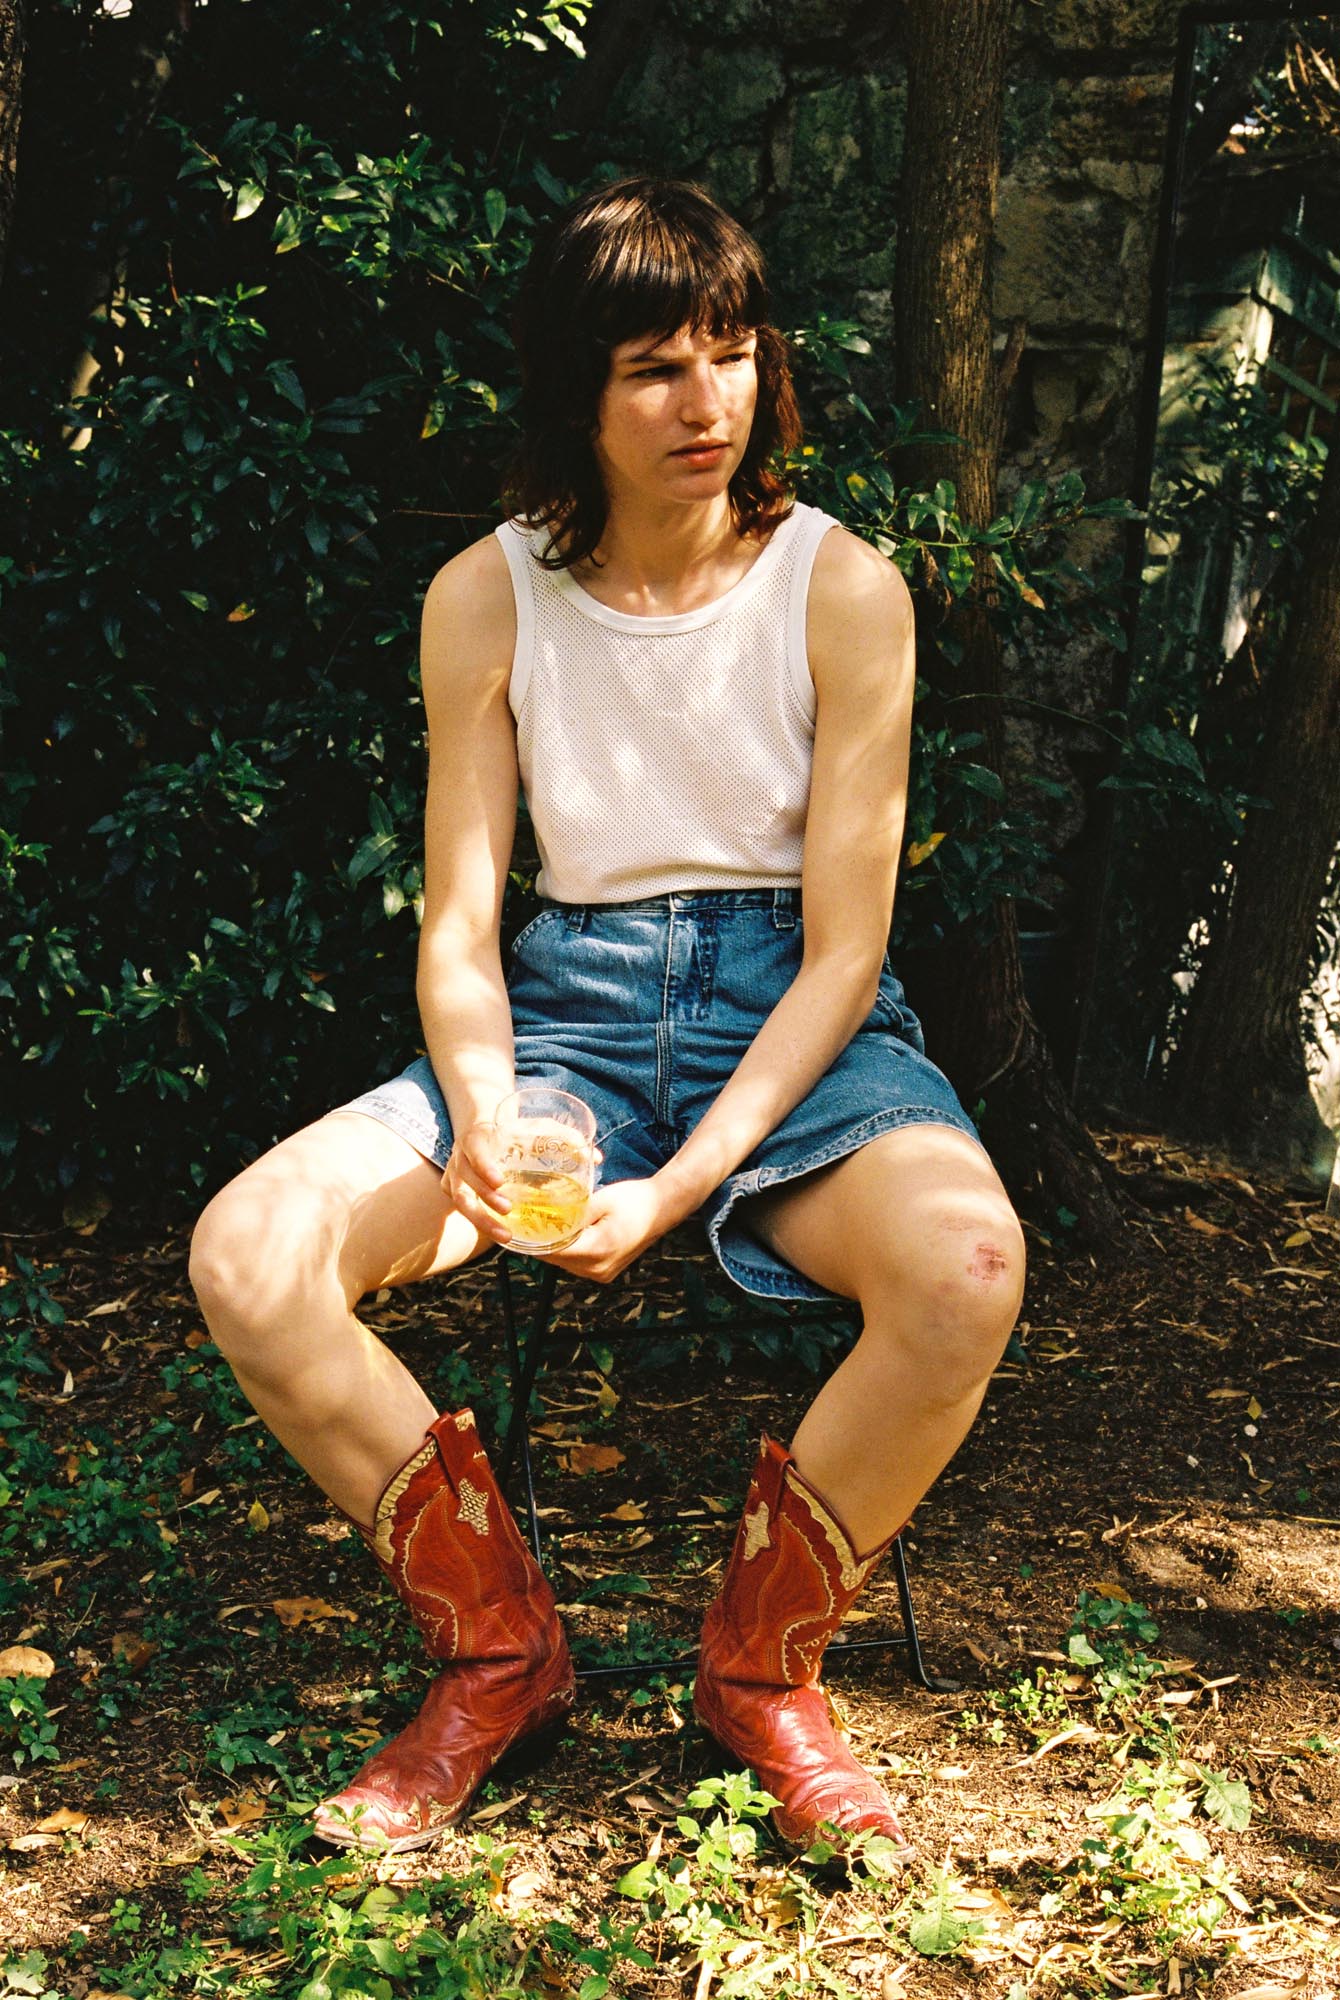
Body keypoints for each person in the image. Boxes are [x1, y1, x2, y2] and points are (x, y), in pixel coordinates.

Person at [188, 176, 1025, 1859]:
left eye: (733, 350)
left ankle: (760, 1679)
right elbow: (459, 923)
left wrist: (677, 1187)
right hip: (561, 1022)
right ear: (578, 390)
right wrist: (489, 1109)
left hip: (795, 1026)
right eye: (654, 367)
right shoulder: (486, 597)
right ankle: (503, 1657)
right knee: (249, 1256)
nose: (708, 401)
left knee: (969, 1266)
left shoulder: (844, 590)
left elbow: (846, 955)